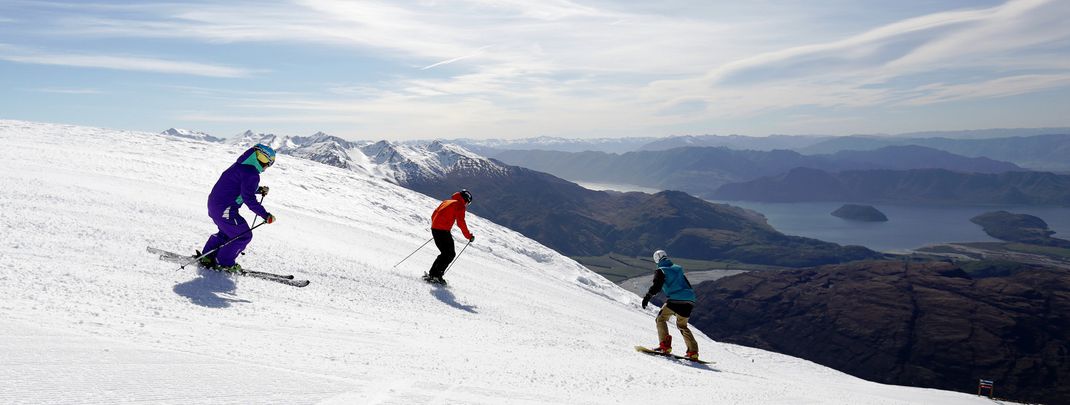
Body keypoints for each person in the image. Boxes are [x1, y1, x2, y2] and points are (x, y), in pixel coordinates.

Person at [197, 143, 277, 273]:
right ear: (257, 157)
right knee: (243, 236)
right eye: (266, 161)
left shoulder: (240, 166)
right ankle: (224, 263)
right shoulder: (251, 173)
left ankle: (207, 257)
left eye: (269, 163)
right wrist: (265, 215)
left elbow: (238, 186)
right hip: (225, 209)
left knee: (228, 234)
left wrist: (258, 189)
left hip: (215, 206)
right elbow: (248, 198)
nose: (266, 166)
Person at [642, 249, 699, 360]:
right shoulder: (678, 268)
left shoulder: (661, 270)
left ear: (656, 259)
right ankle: (693, 352)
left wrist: (647, 297)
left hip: (675, 300)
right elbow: (687, 284)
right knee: (682, 326)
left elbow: (657, 286)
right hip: (690, 300)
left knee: (661, 319)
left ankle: (665, 346)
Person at [423, 190, 475, 285]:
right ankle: (436, 276)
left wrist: (437, 226)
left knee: (445, 253)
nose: (467, 205)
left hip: (436, 229)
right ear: (466, 200)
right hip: (442, 231)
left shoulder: (446, 201)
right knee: (450, 254)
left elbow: (434, 214)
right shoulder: (460, 205)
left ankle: (433, 274)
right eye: (468, 203)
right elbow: (461, 222)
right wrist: (469, 236)